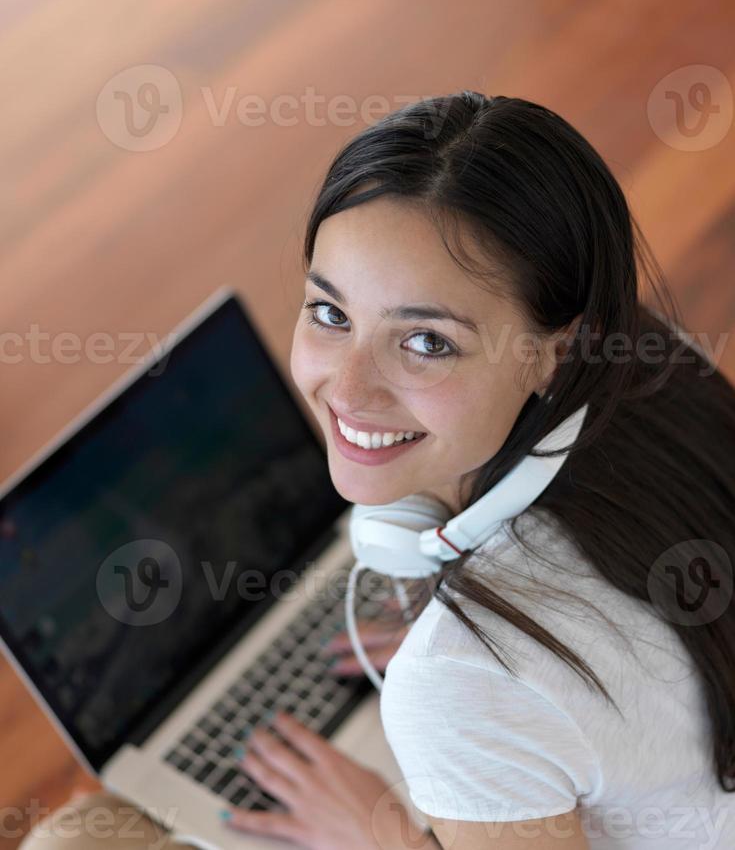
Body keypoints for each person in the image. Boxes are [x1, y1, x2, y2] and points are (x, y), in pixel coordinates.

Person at [22, 92, 735, 850]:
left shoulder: (460, 680)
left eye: (426, 341)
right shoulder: (655, 391)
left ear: (555, 352)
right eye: (331, 313)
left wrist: (385, 833)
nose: (349, 390)